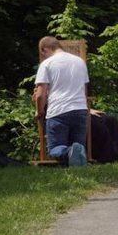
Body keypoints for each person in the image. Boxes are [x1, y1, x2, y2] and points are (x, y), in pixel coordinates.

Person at [34, 36, 90, 166]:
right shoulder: (80, 62)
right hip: (80, 110)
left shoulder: (47, 64)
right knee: (79, 148)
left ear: (45, 50)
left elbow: (40, 95)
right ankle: (79, 169)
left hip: (58, 112)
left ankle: (69, 151)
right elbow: (85, 90)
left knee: (54, 150)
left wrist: (39, 111)